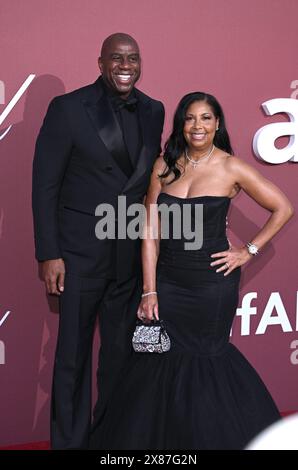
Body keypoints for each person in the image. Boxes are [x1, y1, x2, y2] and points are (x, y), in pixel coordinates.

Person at [89, 92, 294, 450]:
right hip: (168, 282)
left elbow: (283, 208)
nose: (197, 126)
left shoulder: (232, 167)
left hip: (212, 286)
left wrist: (249, 251)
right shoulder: (163, 166)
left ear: (217, 124)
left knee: (205, 362)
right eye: (190, 118)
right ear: (181, 125)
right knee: (159, 363)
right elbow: (149, 231)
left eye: (205, 118)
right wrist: (149, 289)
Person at [32, 33, 164, 449]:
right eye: (116, 58)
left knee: (121, 357)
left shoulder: (154, 110)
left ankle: (112, 439)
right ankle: (70, 443)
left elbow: (151, 183)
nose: (125, 65)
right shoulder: (68, 108)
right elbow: (44, 187)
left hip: (127, 255)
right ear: (101, 63)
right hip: (78, 255)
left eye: (132, 58)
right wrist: (49, 254)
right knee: (72, 357)